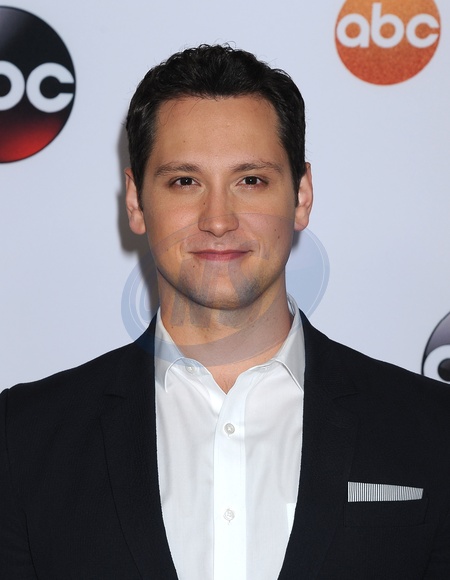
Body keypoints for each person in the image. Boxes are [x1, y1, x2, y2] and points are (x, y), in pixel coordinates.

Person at [1, 44, 449, 580]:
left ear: (302, 195)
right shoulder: (23, 439)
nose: (218, 219)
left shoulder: (432, 429)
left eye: (250, 180)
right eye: (185, 181)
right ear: (136, 202)